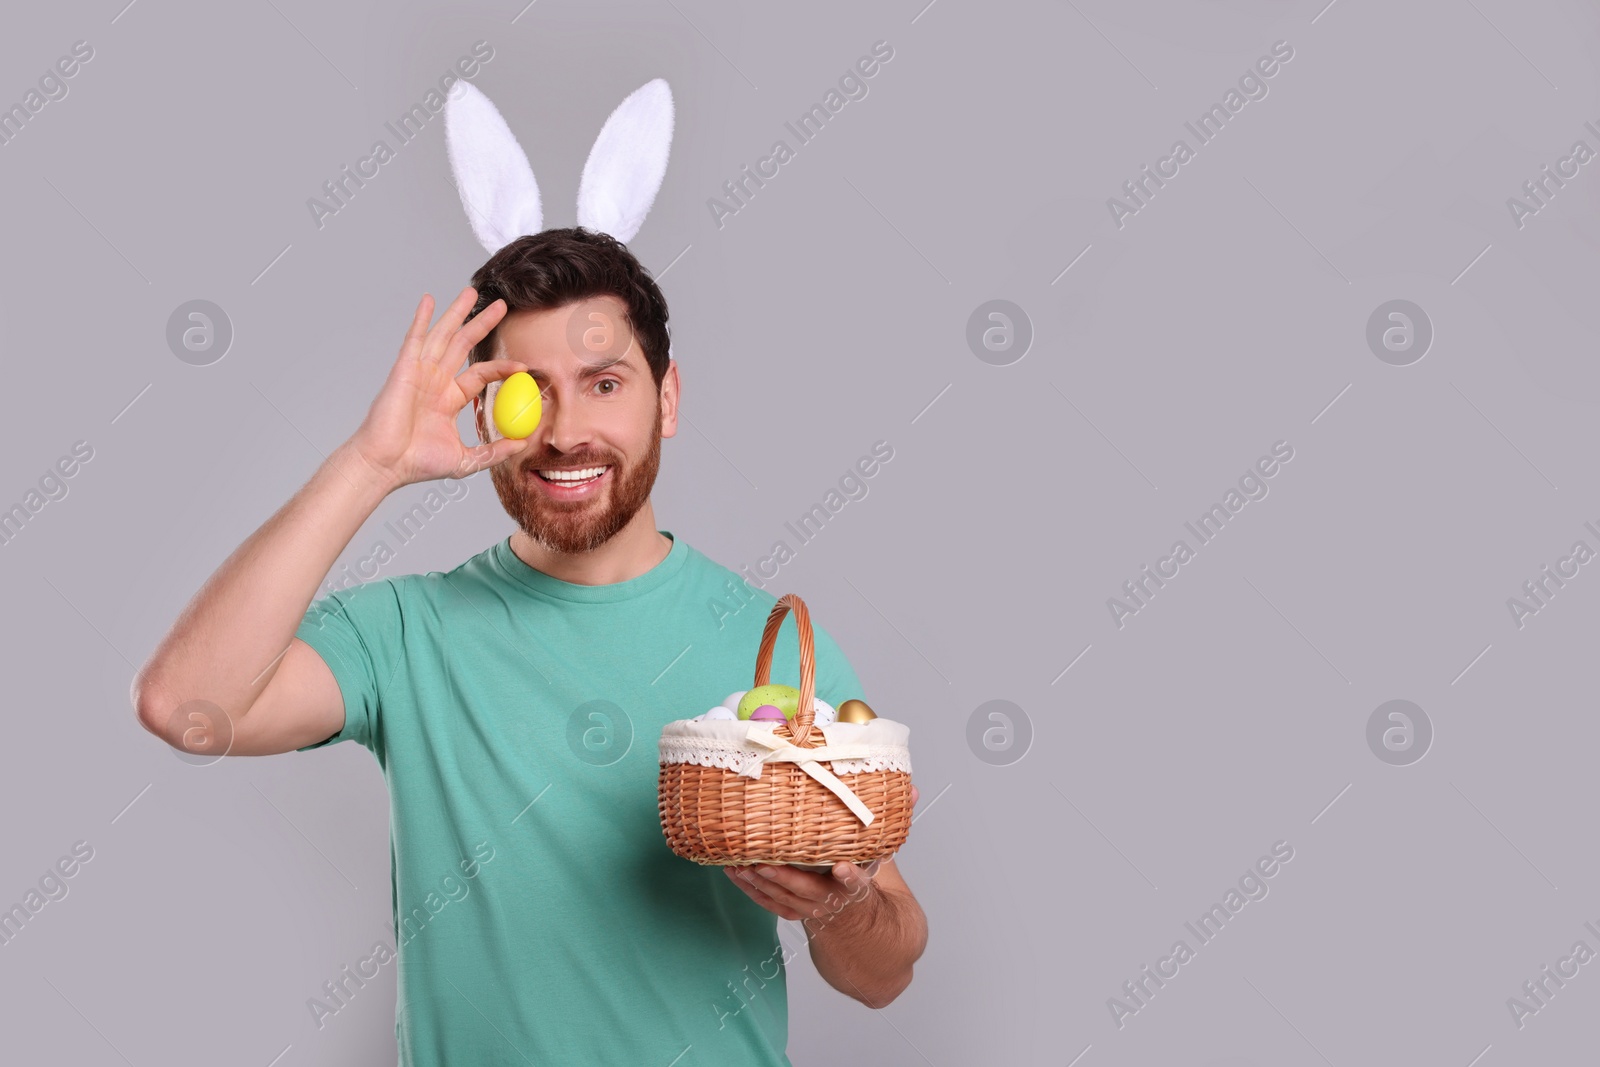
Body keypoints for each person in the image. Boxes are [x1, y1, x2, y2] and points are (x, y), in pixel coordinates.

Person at [132, 227, 927, 1065]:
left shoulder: (767, 651)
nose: (564, 431)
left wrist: (842, 909)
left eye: (605, 383)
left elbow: (885, 973)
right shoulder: (408, 633)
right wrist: (372, 462)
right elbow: (183, 705)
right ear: (483, 409)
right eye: (526, 390)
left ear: (667, 398)